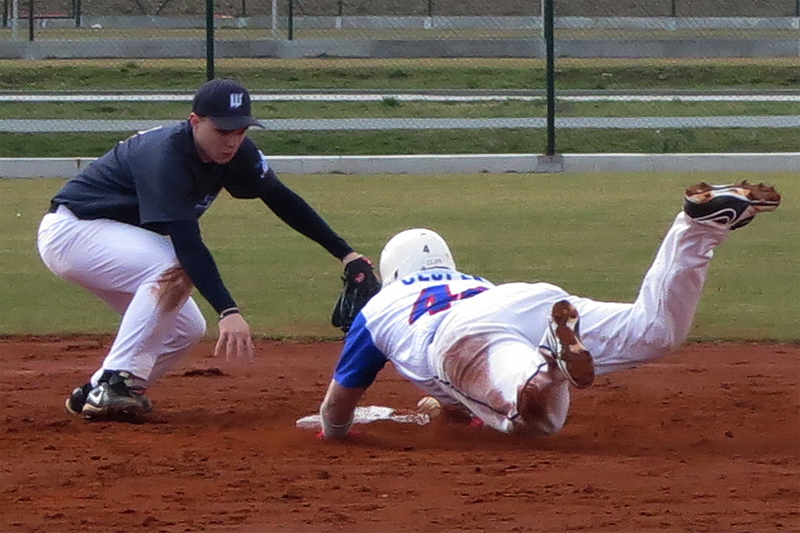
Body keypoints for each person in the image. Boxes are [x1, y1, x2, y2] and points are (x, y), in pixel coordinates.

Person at [317, 181, 781, 438]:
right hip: (522, 300)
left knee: (533, 421)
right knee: (656, 331)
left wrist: (332, 435)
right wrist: (447, 411)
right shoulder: (469, 281)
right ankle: (696, 229)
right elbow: (463, 398)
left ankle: (549, 367)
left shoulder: (380, 308)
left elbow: (337, 405)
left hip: (461, 335)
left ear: (394, 271)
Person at [37, 78, 372, 420]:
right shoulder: (166, 157)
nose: (232, 141)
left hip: (113, 238)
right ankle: (113, 381)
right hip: (73, 231)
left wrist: (346, 253)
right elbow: (188, 246)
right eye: (222, 131)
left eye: (240, 131)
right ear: (195, 121)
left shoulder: (237, 153)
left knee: (185, 329)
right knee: (173, 268)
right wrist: (228, 310)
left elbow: (280, 198)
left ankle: (95, 392)